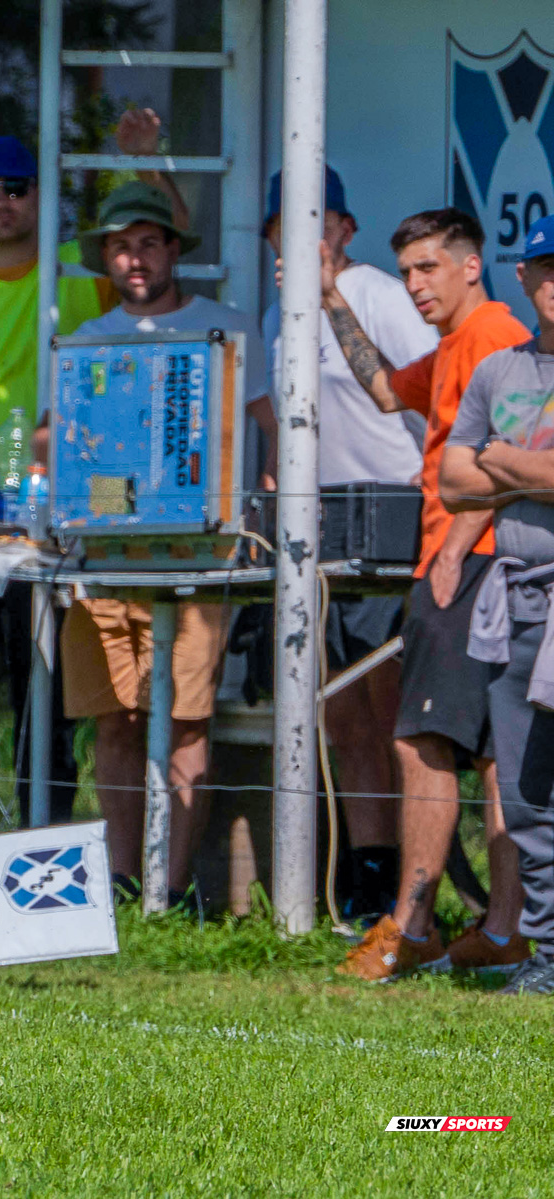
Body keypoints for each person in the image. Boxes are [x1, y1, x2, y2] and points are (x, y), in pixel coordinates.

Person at [0, 115, 178, 867]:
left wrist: (142, 162)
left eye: (17, 187)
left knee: (43, 706)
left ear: (39, 197)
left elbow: (171, 245)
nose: (3, 202)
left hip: (52, 533)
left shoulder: (80, 286)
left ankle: (45, 862)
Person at [328, 209, 529, 981]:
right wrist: (330, 297)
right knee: (483, 752)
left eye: (429, 269)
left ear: (470, 265)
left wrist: (450, 548)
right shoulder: (452, 343)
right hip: (464, 560)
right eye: (406, 271)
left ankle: (412, 927)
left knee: (423, 742)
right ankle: (503, 928)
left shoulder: (495, 335)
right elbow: (384, 390)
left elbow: (517, 452)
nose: (415, 286)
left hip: (472, 560)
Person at [64, 180, 271, 905]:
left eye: (149, 242)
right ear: (106, 260)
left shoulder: (230, 326)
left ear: (175, 248)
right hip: (106, 560)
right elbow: (67, 447)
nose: (136, 258)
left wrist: (262, 523)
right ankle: (122, 883)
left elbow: (272, 430)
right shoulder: (86, 343)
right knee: (115, 722)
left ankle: (173, 887)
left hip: (203, 559)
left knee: (185, 723)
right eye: (121, 246)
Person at [259, 167, 439, 922]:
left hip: (393, 516)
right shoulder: (278, 315)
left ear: (344, 230)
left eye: (316, 223)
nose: (300, 240)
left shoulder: (377, 293)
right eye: (284, 227)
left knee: (392, 710)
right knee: (341, 715)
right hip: (315, 524)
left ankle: (412, 894)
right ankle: (367, 879)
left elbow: (432, 395)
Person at [441, 214, 554, 992]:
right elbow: (453, 484)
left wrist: (504, 460)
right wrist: (533, 471)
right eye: (545, 267)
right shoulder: (497, 373)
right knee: (525, 794)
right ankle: (548, 954)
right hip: (513, 599)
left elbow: (482, 468)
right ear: (523, 278)